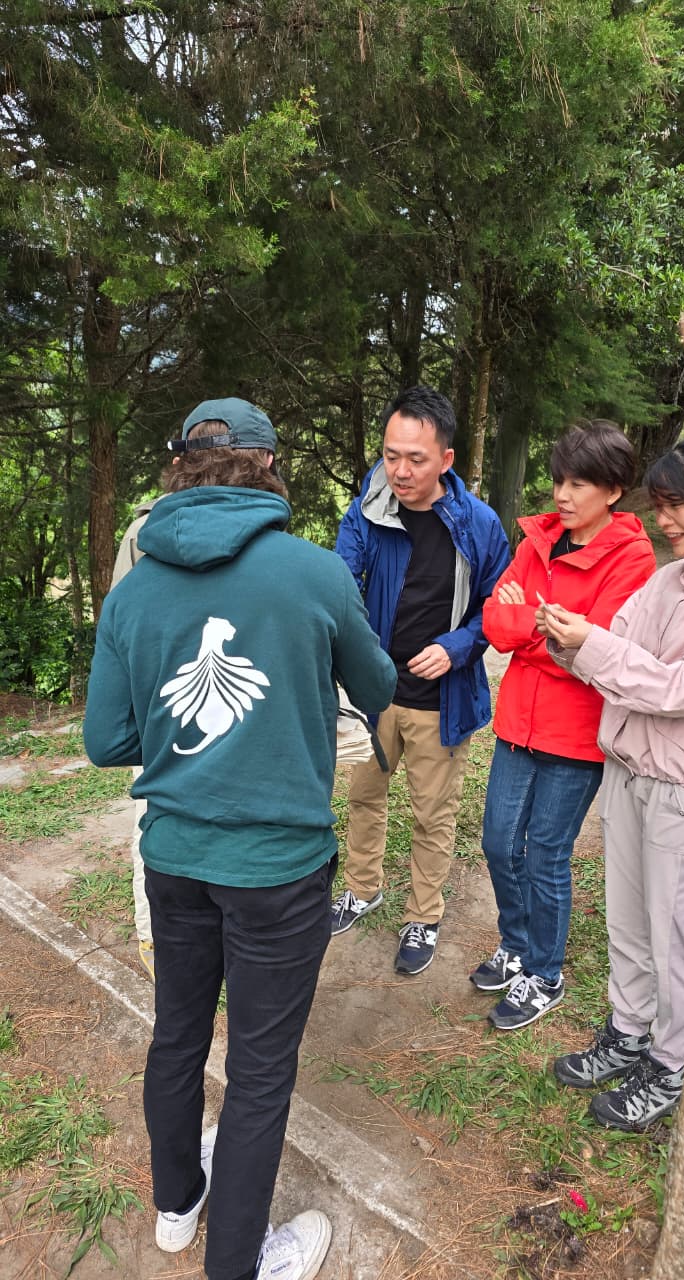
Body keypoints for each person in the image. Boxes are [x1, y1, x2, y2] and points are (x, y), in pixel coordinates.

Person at [84, 397, 397, 1280]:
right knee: (260, 1071)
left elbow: (107, 740)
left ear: (178, 468)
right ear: (267, 468)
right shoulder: (315, 573)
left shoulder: (136, 588)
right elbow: (377, 685)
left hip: (174, 860)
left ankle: (177, 1208)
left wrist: (190, 741)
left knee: (177, 1036)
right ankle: (239, 1264)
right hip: (279, 872)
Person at [547, 433, 684, 1129]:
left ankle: (671, 1063)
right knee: (628, 917)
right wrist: (575, 643)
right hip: (629, 769)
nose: (664, 520)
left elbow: (680, 689)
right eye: (662, 505)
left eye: (678, 506)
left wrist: (602, 650)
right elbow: (620, 651)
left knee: (678, 931)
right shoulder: (669, 579)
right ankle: (629, 1030)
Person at [470, 420, 656, 1030]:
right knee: (498, 841)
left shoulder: (631, 556)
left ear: (614, 490)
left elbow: (596, 654)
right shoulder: (538, 539)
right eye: (558, 480)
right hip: (518, 722)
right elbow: (496, 624)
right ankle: (516, 944)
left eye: (579, 483)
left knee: (547, 852)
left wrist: (540, 629)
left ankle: (544, 973)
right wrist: (546, 629)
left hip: (576, 733)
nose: (562, 495)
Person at [332, 384, 510, 975]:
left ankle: (423, 917)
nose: (400, 471)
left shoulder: (479, 526)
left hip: (441, 699)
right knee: (364, 796)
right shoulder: (366, 512)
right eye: (391, 455)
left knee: (434, 815)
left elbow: (500, 608)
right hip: (375, 693)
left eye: (416, 459)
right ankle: (362, 886)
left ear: (446, 460)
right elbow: (340, 584)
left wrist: (458, 646)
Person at [110, 497, 161, 979]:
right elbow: (119, 627)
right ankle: (152, 936)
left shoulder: (263, 526)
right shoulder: (143, 530)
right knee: (152, 818)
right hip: (158, 713)